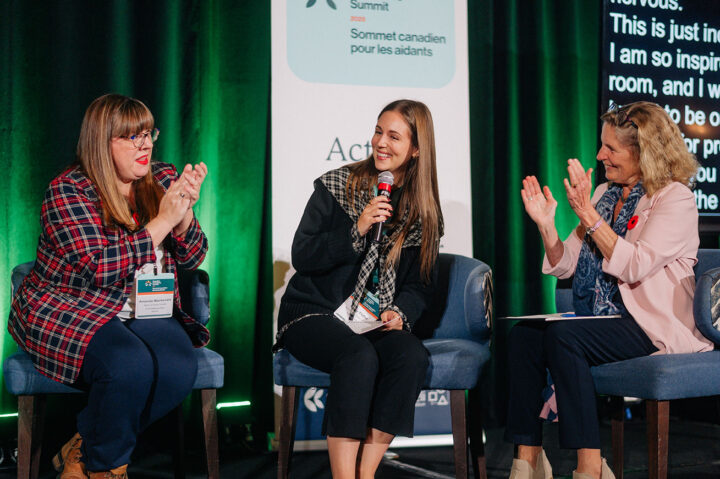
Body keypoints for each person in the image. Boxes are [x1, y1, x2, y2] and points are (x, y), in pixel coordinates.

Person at [507, 101, 713, 479]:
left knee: (564, 338)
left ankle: (590, 465)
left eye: (611, 149)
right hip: (605, 317)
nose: (600, 155)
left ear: (644, 152)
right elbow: (567, 262)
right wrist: (546, 224)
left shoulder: (675, 199)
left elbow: (634, 264)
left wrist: (588, 214)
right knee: (524, 336)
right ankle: (529, 458)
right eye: (602, 145)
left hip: (651, 323)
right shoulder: (604, 192)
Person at [8, 94, 210, 479]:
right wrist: (164, 221)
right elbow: (101, 267)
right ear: (102, 142)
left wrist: (183, 219)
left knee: (179, 367)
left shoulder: (164, 178)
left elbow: (195, 256)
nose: (145, 144)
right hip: (72, 307)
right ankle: (105, 469)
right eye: (132, 136)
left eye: (148, 133)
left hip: (146, 305)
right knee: (127, 365)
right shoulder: (68, 191)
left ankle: (83, 444)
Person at [275, 99, 443, 479]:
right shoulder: (338, 185)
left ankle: (366, 473)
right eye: (378, 131)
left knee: (410, 356)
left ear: (416, 149)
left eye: (394, 136)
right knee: (358, 356)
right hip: (312, 312)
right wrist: (357, 230)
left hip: (370, 319)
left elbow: (420, 284)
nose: (381, 142)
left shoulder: (424, 212)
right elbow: (303, 255)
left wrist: (400, 312)